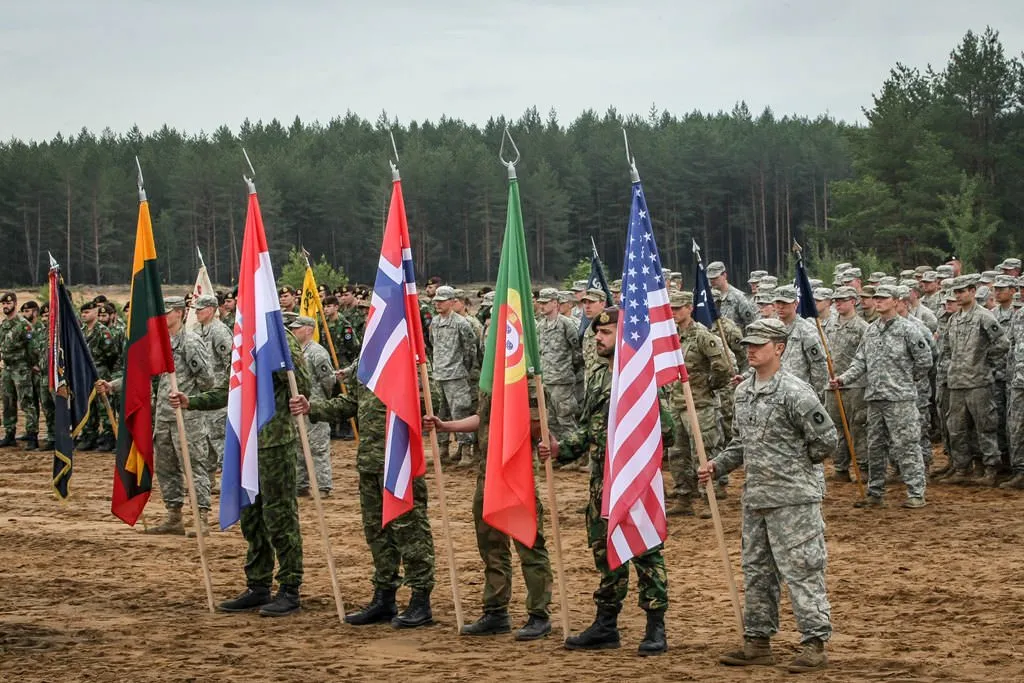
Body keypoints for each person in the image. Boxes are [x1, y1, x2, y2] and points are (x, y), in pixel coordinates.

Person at [699, 318, 836, 673]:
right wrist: (717, 466)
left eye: (759, 344)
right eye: (748, 344)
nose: (750, 350)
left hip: (793, 499)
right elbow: (740, 444)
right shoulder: (743, 391)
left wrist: (793, 467)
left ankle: (814, 643)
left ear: (779, 347)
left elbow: (826, 440)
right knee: (758, 571)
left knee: (803, 570)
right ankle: (758, 641)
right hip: (757, 498)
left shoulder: (795, 391)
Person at [539, 308, 671, 656]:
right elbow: (589, 431)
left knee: (644, 553)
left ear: (624, 336)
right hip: (603, 484)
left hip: (635, 482)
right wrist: (560, 449)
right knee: (607, 553)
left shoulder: (642, 377)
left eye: (606, 332)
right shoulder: (598, 376)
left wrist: (631, 447)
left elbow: (666, 429)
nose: (597, 337)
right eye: (598, 332)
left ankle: (655, 626)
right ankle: (606, 625)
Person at [170, 316, 310, 616]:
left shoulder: (280, 338)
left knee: (280, 517)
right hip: (246, 442)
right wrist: (190, 401)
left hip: (275, 443)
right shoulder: (244, 340)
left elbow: (303, 385)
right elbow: (230, 389)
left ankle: (289, 587)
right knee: (252, 517)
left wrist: (283, 364)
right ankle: (258, 585)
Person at [288, 377, 435, 628]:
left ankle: (420, 600)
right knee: (376, 532)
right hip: (369, 461)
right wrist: (312, 407)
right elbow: (352, 402)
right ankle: (384, 596)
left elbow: (432, 400)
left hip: (399, 460)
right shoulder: (366, 357)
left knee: (410, 531)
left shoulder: (408, 353)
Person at [422, 385, 554, 640]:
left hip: (518, 476)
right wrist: (446, 426)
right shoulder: (491, 380)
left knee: (530, 547)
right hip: (488, 476)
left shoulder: (526, 381)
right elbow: (483, 418)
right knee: (491, 547)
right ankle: (495, 611)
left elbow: (538, 425)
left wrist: (515, 416)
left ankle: (539, 614)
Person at [102, 296, 215, 535]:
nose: (161, 318)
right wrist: (112, 386)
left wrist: (188, 396)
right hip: (164, 418)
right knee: (166, 468)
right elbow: (141, 375)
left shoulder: (191, 342)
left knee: (193, 467)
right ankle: (174, 517)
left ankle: (201, 517)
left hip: (187, 418)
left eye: (166, 313)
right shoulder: (159, 343)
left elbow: (207, 381)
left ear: (179, 313)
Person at [832, 285, 933, 507]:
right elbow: (860, 362)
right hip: (875, 397)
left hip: (900, 399)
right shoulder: (871, 330)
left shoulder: (909, 330)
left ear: (896, 301)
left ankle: (916, 492)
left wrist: (906, 380)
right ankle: (875, 492)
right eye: (875, 298)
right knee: (875, 446)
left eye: (883, 298)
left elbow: (925, 360)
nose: (877, 302)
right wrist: (843, 379)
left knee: (906, 445)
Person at [937, 276, 1009, 485]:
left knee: (984, 426)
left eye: (961, 292)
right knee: (957, 428)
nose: (957, 296)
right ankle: (962, 467)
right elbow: (948, 348)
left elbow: (1002, 344)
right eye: (955, 293)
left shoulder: (984, 317)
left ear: (972, 291)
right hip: (957, 382)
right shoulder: (954, 319)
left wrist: (983, 359)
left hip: (978, 382)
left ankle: (990, 469)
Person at [665, 291, 731, 516]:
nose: (673, 312)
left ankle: (708, 497)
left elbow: (722, 366)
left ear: (689, 308)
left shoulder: (702, 335)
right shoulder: (671, 335)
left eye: (678, 308)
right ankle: (684, 496)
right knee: (677, 452)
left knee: (703, 452)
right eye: (671, 308)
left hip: (700, 403)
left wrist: (709, 387)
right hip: (677, 402)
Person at [822, 287, 868, 482]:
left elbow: (865, 358)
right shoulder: (828, 325)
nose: (838, 303)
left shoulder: (862, 327)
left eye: (842, 300)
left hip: (855, 386)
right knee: (836, 428)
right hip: (832, 385)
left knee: (858, 428)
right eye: (836, 300)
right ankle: (840, 467)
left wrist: (847, 377)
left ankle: (863, 467)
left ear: (853, 301)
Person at [430, 285, 479, 467]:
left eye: (442, 300)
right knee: (441, 413)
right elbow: (432, 344)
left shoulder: (461, 323)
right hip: (439, 375)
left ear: (452, 302)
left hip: (457, 375)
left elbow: (470, 350)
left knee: (460, 412)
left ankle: (465, 451)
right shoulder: (434, 322)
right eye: (436, 301)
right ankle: (442, 450)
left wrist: (462, 369)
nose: (438, 304)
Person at [288, 316, 335, 496]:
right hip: (298, 405)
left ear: (308, 329)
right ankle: (301, 484)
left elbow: (328, 380)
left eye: (297, 328)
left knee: (317, 447)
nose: (294, 331)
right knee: (299, 446)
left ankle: (323, 485)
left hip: (315, 405)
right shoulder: (296, 350)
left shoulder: (317, 352)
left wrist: (321, 400)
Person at [534, 288, 582, 441]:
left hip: (563, 380)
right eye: (540, 303)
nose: (541, 306)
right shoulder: (540, 326)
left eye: (545, 303)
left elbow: (577, 352)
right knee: (552, 420)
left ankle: (575, 453)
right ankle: (560, 452)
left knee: (566, 419)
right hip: (547, 380)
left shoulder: (567, 324)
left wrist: (568, 370)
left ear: (555, 303)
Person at [192, 294, 233, 474]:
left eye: (200, 309)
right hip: (202, 395)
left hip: (218, 394)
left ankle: (228, 478)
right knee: (205, 440)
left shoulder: (219, 331)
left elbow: (230, 363)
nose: (197, 313)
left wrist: (225, 391)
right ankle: (207, 481)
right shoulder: (196, 331)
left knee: (219, 438)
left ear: (210, 309)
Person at [0, 292, 38, 449]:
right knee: (8, 402)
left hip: (21, 368)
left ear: (15, 304)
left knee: (26, 401)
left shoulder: (23, 325)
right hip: (7, 368)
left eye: (8, 304)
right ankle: (10, 433)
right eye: (3, 304)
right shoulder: (3, 325)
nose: (5, 306)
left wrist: (31, 364)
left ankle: (32, 435)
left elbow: (32, 347)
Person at [707, 261, 757, 328]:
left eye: (715, 277)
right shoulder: (708, 298)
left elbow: (751, 324)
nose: (712, 281)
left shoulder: (738, 297)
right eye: (710, 278)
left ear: (724, 275)